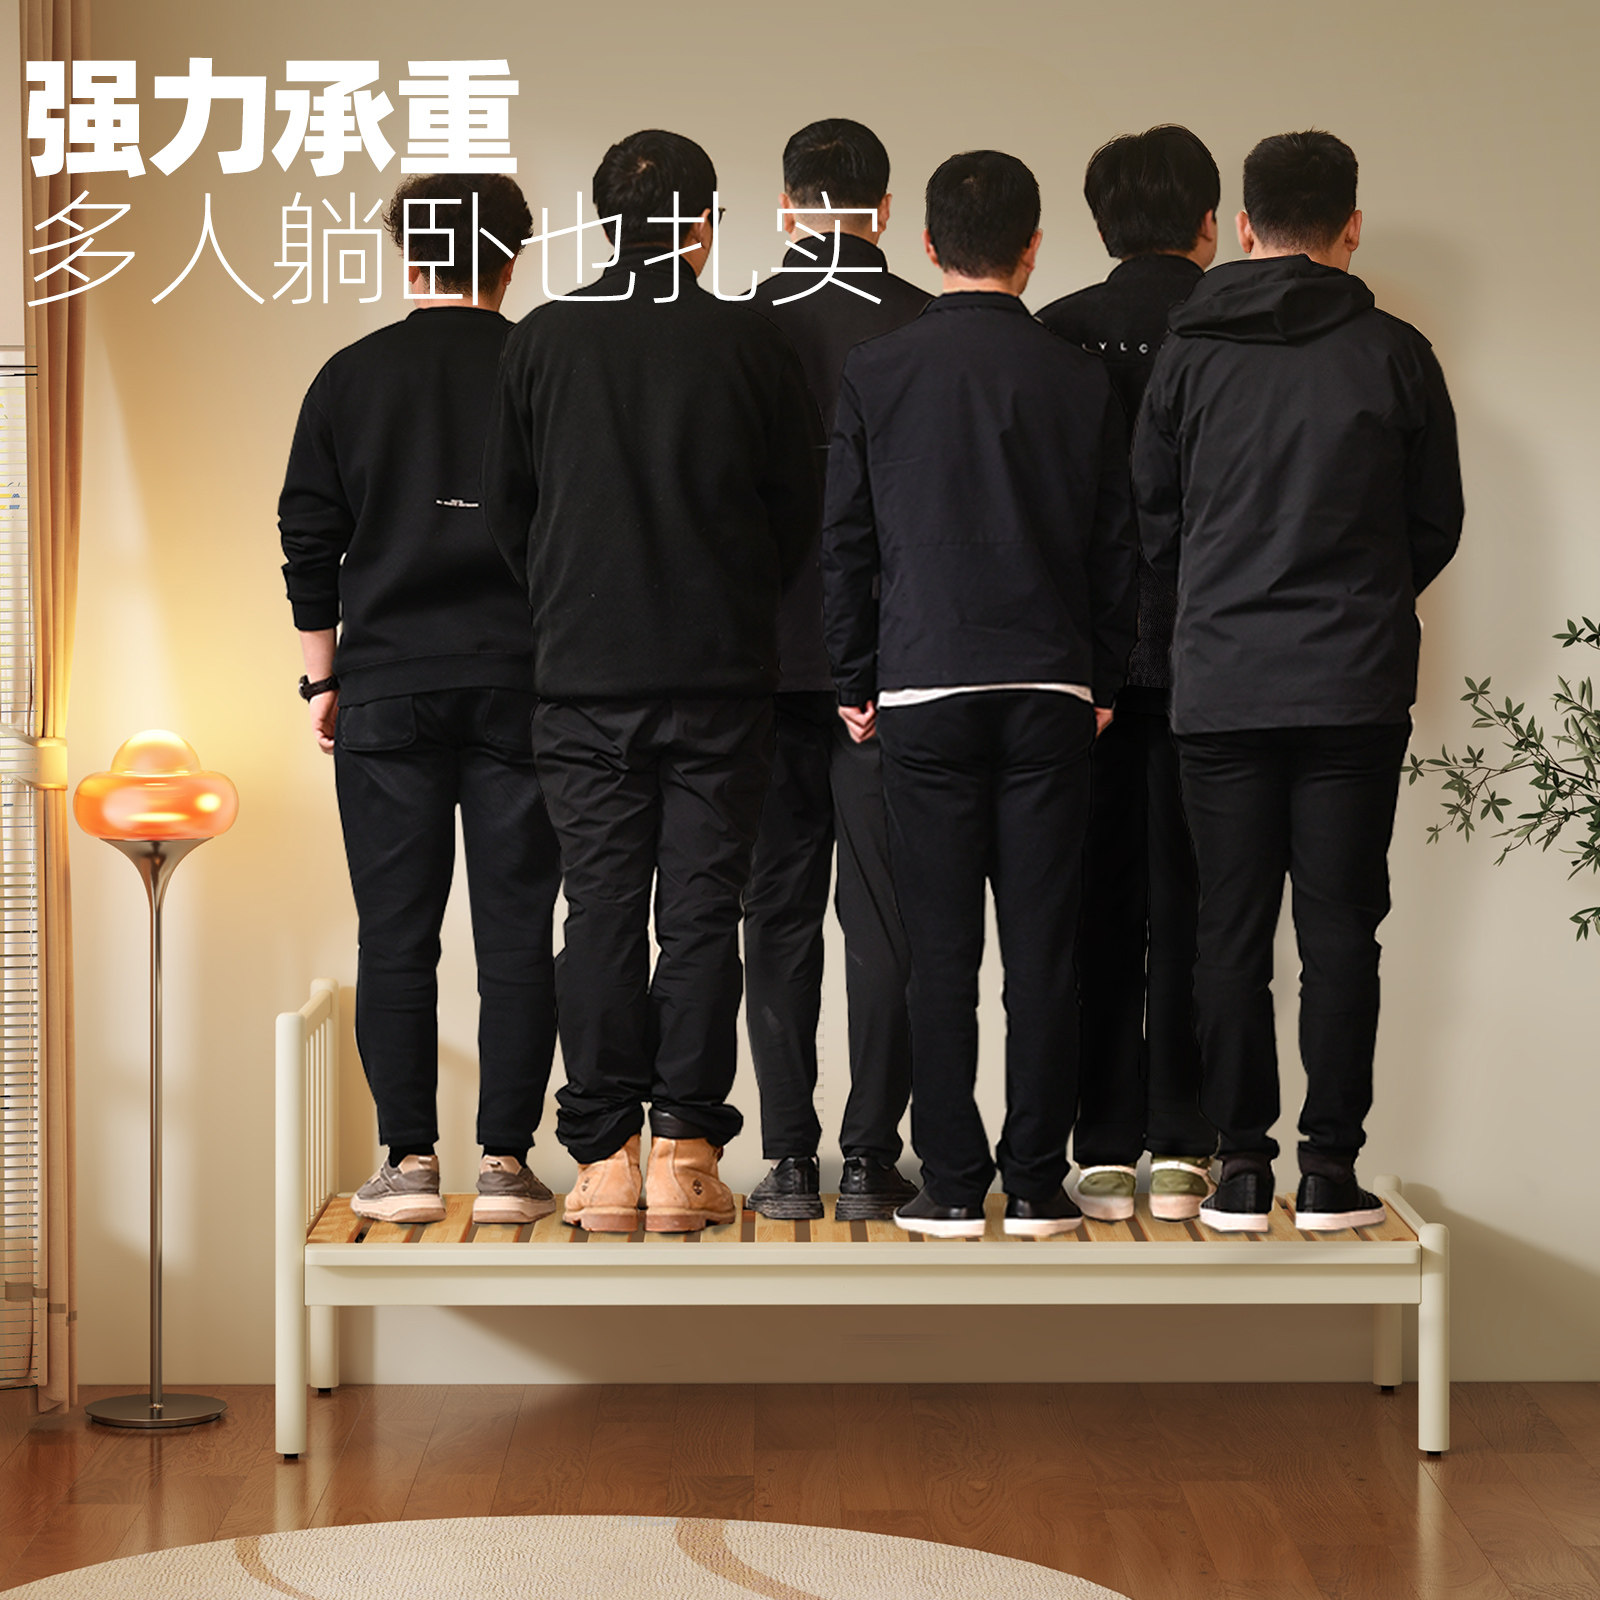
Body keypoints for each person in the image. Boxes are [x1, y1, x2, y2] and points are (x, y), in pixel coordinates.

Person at [483, 129, 820, 1234]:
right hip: (722, 675)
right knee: (703, 913)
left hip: (583, 676)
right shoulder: (753, 339)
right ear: (701, 225)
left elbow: (509, 515)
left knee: (599, 912)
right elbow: (795, 510)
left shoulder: (541, 339)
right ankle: (683, 1155)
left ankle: (603, 1165)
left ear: (602, 221)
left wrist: (565, 599)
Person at [1133, 130, 1463, 1233]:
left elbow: (1154, 522)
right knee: (1341, 933)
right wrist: (1362, 598)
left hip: (1222, 685)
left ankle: (1238, 1164)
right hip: (1352, 688)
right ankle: (1327, 1169)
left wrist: (1217, 597)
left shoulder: (1188, 356)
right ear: (1351, 227)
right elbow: (1434, 520)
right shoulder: (1396, 354)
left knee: (1227, 930)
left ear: (1240, 226)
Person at [823, 150, 1138, 1239]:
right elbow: (1117, 545)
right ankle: (1037, 1183)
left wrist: (853, 675)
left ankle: (954, 1183)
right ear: (1034, 246)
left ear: (925, 244)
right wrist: (1102, 675)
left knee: (940, 952)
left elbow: (846, 542)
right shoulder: (1076, 376)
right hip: (1051, 684)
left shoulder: (877, 368)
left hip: (921, 682)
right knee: (1045, 954)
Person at [279, 173, 561, 1227]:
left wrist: (324, 676)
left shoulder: (350, 375)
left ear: (408, 255)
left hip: (387, 686)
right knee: (517, 930)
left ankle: (406, 1163)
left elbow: (309, 534)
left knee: (395, 934)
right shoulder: (544, 366)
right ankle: (506, 1166)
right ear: (512, 258)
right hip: (524, 686)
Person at [741, 118, 930, 1223]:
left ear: (785, 208)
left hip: (760, 666)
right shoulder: (923, 322)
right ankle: (868, 1159)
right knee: (884, 916)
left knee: (775, 913)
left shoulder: (740, 324)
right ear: (885, 210)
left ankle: (787, 1160)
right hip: (890, 669)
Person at [1035, 126, 1220, 1224]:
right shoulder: (1236, 328)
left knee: (1094, 908)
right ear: (1208, 223)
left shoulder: (1057, 332)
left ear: (1102, 226)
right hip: (1215, 660)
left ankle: (1101, 1149)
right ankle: (1187, 1145)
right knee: (1201, 909)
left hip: (1084, 666)